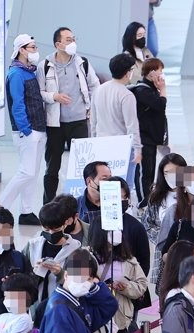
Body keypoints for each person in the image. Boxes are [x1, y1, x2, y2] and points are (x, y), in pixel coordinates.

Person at [39, 27, 100, 203]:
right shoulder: (45, 66)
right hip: (55, 124)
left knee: (84, 168)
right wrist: (54, 96)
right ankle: (48, 206)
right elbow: (40, 92)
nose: (72, 42)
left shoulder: (82, 63)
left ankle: (84, 204)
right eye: (68, 39)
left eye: (73, 38)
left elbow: (95, 85)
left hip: (79, 122)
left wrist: (90, 107)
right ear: (58, 44)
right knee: (52, 168)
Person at [0, 34, 47, 226]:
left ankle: (26, 211)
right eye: (32, 47)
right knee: (27, 172)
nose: (35, 51)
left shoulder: (29, 71)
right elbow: (17, 104)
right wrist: (26, 129)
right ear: (22, 50)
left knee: (33, 173)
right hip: (28, 131)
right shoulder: (16, 74)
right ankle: (0, 204)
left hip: (39, 129)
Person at [89, 215, 149, 333]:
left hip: (123, 318)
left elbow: (142, 286)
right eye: (111, 229)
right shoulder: (87, 258)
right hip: (98, 319)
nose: (116, 233)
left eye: (118, 229)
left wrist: (126, 287)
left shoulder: (129, 259)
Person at [92, 54, 143, 187]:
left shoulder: (99, 89)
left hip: (101, 143)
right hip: (122, 146)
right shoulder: (126, 95)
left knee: (105, 182)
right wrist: (138, 149)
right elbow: (132, 125)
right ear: (128, 73)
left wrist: (93, 141)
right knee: (125, 185)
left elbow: (93, 120)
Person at [132, 57, 168, 206]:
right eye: (160, 71)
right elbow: (160, 105)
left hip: (151, 138)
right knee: (145, 173)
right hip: (144, 138)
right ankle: (143, 202)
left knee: (150, 171)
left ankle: (149, 200)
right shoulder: (142, 90)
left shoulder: (151, 89)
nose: (162, 74)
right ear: (152, 72)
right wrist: (163, 90)